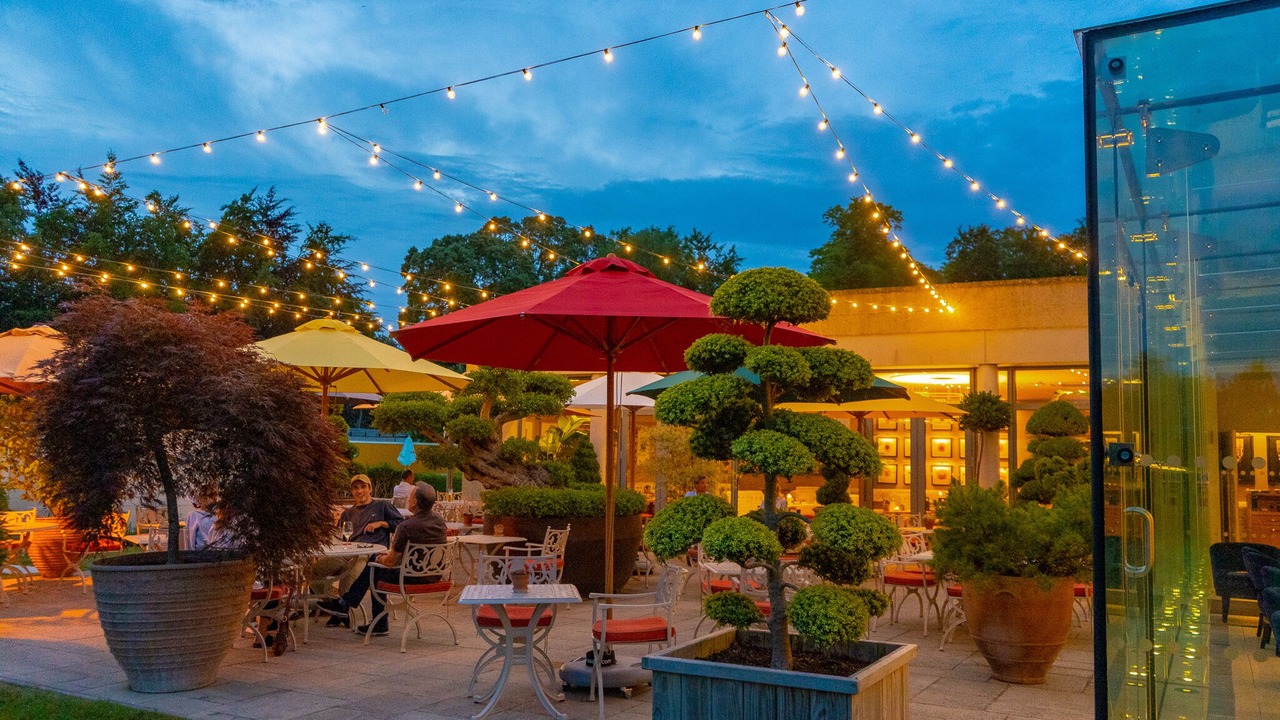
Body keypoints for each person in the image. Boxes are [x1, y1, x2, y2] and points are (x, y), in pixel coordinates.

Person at [318, 482, 448, 636]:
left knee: (374, 567)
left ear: (414, 502)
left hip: (411, 577)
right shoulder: (440, 521)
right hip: (434, 575)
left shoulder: (406, 527)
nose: (407, 498)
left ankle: (367, 616)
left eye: (410, 496)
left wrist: (379, 558)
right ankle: (346, 604)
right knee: (375, 564)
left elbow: (391, 562)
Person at [339, 474, 402, 547]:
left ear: (370, 488)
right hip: (353, 551)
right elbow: (341, 537)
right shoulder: (347, 513)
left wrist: (381, 523)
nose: (359, 491)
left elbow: (401, 525)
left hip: (374, 552)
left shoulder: (382, 506)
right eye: (355, 488)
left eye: (363, 486)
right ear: (352, 491)